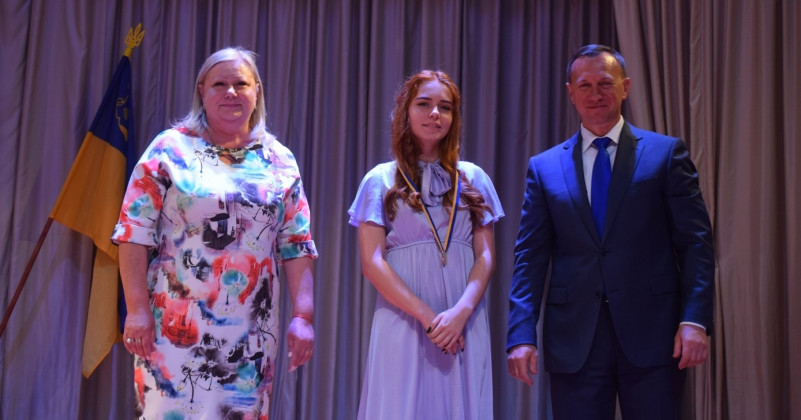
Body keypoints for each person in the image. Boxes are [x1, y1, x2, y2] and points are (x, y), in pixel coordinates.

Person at [506, 44, 715, 419]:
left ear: (625, 87)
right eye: (584, 86)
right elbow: (529, 258)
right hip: (574, 341)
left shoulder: (666, 154)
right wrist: (520, 334)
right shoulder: (544, 167)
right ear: (571, 93)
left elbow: (696, 244)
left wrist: (694, 320)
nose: (595, 94)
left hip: (655, 336)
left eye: (605, 83)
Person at [112, 47, 318, 418]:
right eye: (219, 84)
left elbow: (296, 244)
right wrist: (137, 309)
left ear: (257, 91)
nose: (231, 93)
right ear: (201, 91)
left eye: (241, 84)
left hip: (251, 337)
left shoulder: (279, 160)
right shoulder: (170, 149)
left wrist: (303, 317)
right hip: (173, 329)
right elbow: (133, 232)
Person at [348, 70, 504, 419]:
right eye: (424, 104)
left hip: (463, 322)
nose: (435, 114)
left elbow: (485, 256)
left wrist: (460, 313)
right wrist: (429, 318)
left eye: (445, 107)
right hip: (404, 320)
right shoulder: (380, 179)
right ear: (405, 111)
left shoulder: (473, 178)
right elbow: (372, 262)